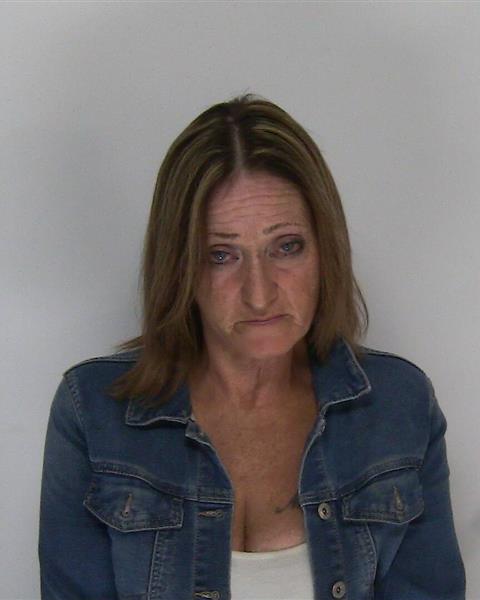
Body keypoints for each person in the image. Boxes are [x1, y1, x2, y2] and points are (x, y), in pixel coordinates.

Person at [38, 93, 466, 600]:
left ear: (324, 247)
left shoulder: (398, 406)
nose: (259, 294)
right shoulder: (94, 412)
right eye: (221, 255)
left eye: (286, 246)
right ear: (180, 265)